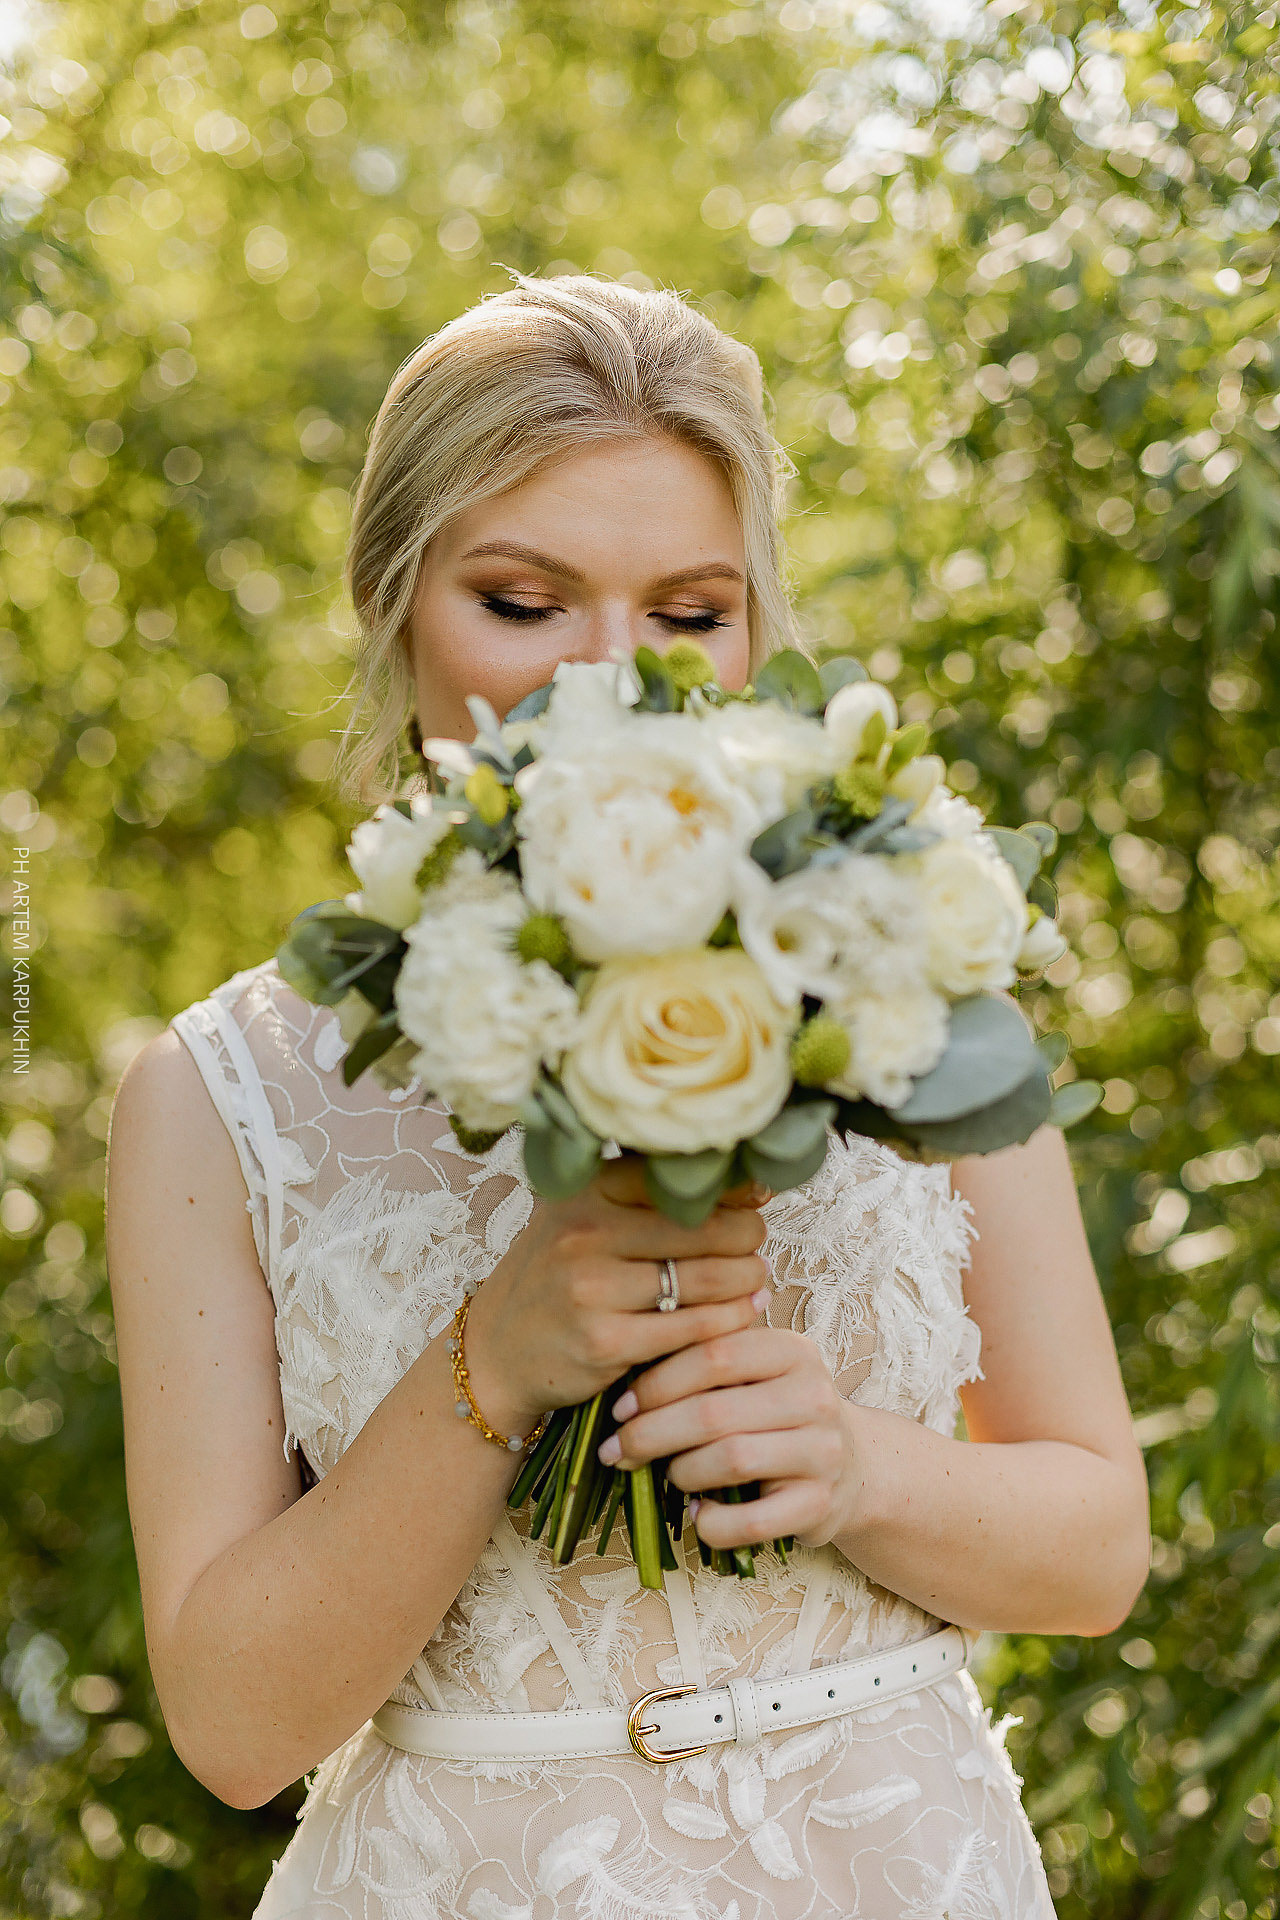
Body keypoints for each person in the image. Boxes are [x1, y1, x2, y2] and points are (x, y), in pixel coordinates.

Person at [105, 273, 1151, 1919]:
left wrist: (862, 1468)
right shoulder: (220, 1092)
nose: (609, 683)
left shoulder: (903, 978)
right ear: (392, 597)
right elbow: (235, 1730)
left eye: (688, 615)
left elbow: (1096, 1549)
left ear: (756, 628)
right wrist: (497, 1357)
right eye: (524, 603)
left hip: (894, 1864)